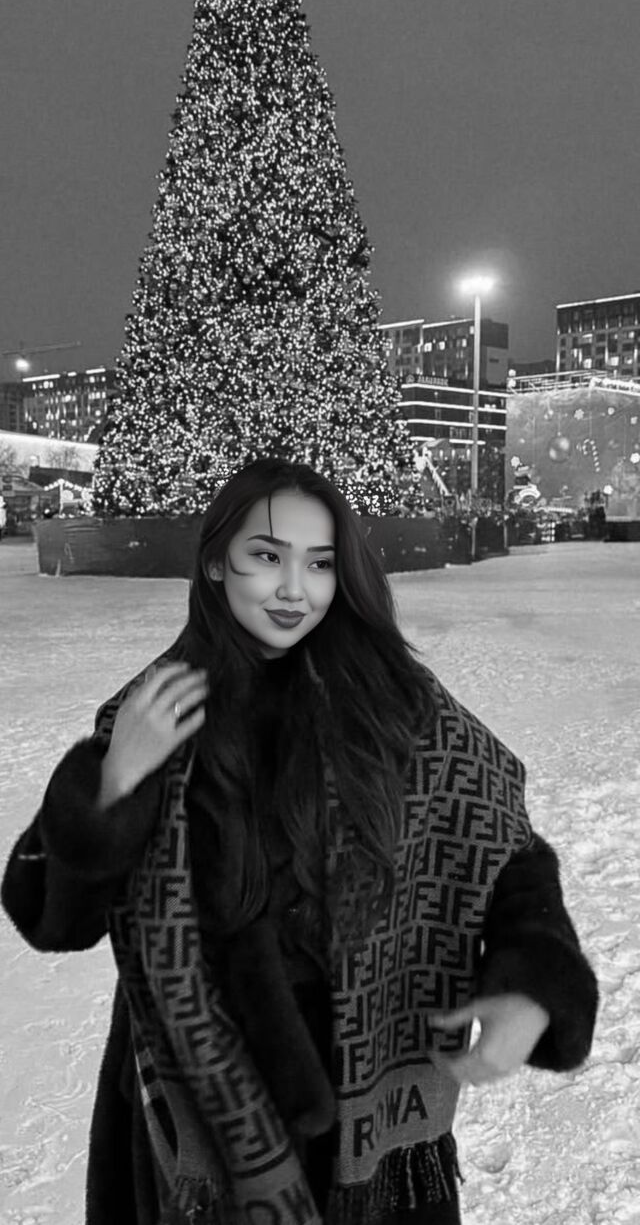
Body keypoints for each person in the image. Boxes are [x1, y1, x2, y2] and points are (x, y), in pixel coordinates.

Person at [2, 457, 598, 1225]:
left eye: (319, 564)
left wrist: (532, 985)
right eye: (267, 556)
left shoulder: (397, 707)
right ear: (216, 562)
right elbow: (53, 915)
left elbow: (508, 854)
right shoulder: (155, 711)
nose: (295, 589)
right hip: (192, 1104)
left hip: (369, 1098)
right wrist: (109, 786)